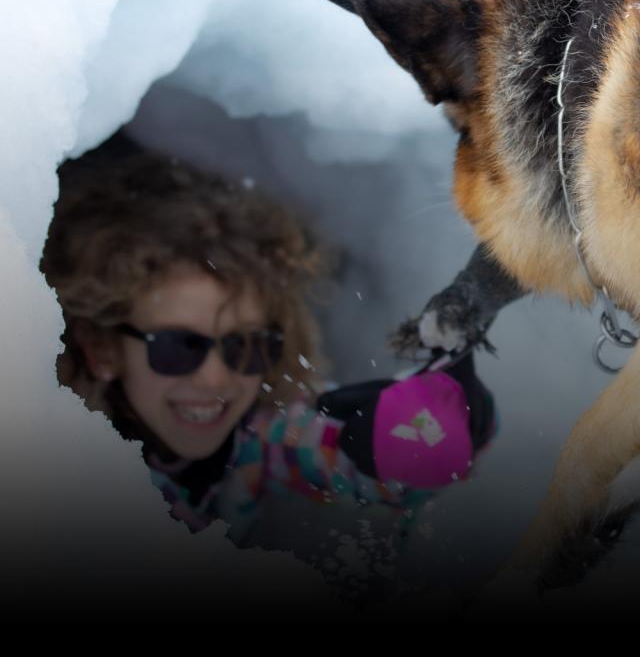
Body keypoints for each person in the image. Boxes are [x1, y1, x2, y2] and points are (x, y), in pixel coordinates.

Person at [41, 138, 496, 579]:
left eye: (247, 346)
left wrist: (413, 440)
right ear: (102, 350)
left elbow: (336, 453)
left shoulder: (251, 437)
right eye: (178, 347)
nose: (216, 378)